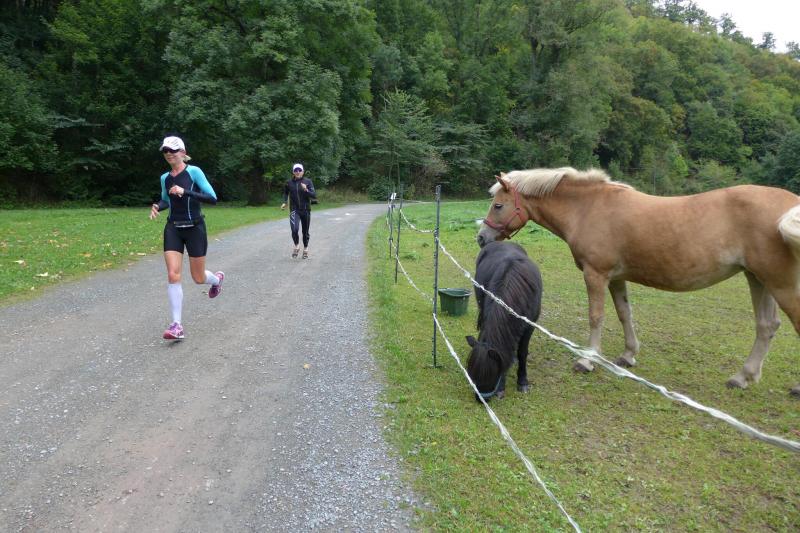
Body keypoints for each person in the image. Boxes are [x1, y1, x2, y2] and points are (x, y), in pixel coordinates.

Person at [149, 135, 224, 340]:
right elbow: (166, 200)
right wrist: (157, 206)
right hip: (173, 228)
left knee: (198, 278)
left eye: (173, 150)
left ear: (182, 152)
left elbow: (212, 198)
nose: (169, 154)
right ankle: (176, 325)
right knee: (173, 274)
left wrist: (186, 191)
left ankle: (216, 279)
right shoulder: (165, 178)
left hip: (195, 228)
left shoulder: (194, 172)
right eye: (165, 151)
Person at [281, 163, 316, 259]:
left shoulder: (308, 181)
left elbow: (313, 195)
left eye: (299, 170)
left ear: (303, 171)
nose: (298, 172)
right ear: (293, 172)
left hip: (305, 210)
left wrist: (306, 189)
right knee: (294, 229)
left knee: (305, 231)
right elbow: (285, 193)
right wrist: (284, 202)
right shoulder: (289, 183)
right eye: (295, 170)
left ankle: (306, 248)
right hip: (294, 210)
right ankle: (296, 246)